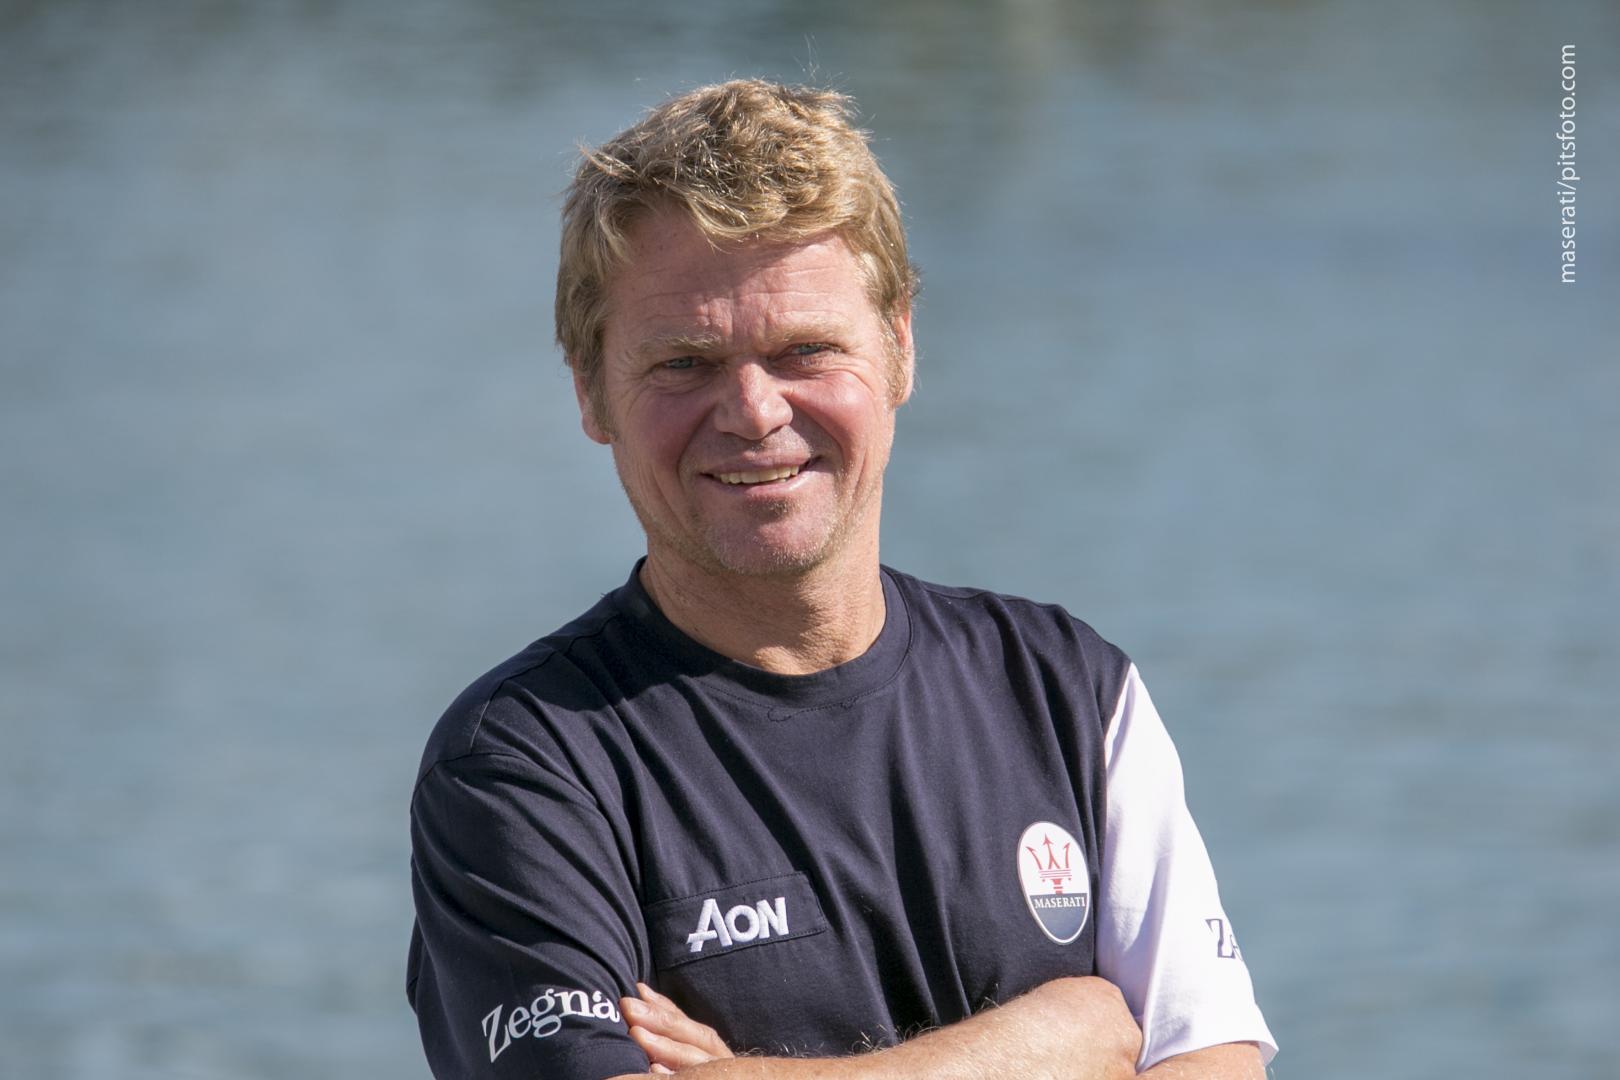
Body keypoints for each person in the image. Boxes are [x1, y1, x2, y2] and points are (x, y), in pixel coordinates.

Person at [407, 79, 1277, 1080]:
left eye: (804, 351)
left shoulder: (1069, 691)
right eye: (684, 363)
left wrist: (750, 1077)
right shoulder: (520, 766)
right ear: (591, 391)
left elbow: (1216, 1065)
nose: (753, 411)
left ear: (899, 348)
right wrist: (1058, 1036)